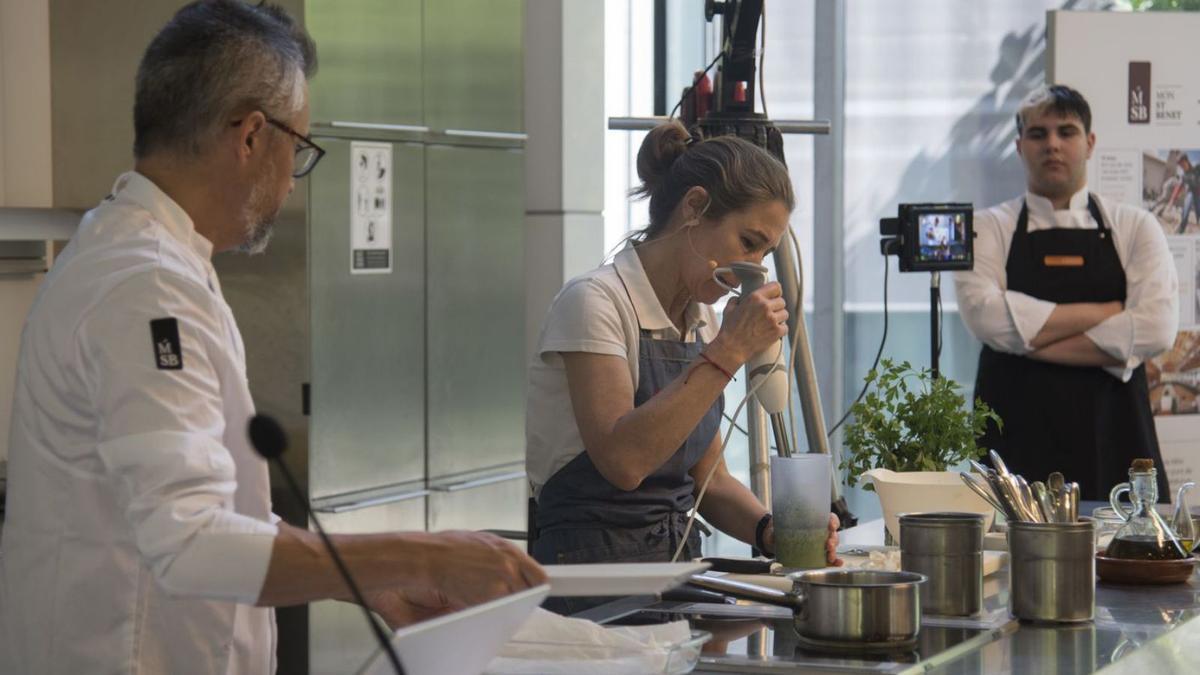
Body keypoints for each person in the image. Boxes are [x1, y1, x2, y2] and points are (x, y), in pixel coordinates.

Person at [0, 3, 544, 673]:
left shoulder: (148, 258)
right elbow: (191, 540)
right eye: (301, 150)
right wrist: (425, 553)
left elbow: (209, 514)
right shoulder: (146, 286)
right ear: (252, 136)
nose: (292, 180)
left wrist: (369, 578)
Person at [525, 121, 840, 598]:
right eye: (748, 242)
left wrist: (769, 531)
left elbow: (709, 482)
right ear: (695, 207)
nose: (754, 267)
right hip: (589, 586)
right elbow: (624, 461)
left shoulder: (700, 320)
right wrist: (729, 352)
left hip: (673, 575)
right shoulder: (595, 303)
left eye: (766, 252)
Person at [955, 85, 1178, 500]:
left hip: (1116, 434)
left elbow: (1157, 329)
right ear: (1019, 145)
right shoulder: (988, 227)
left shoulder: (1135, 226)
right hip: (1013, 437)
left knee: (1126, 557)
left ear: (1090, 143)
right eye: (1038, 134)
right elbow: (985, 317)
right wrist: (1109, 312)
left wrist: (1028, 342)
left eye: (1067, 132)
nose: (1052, 145)